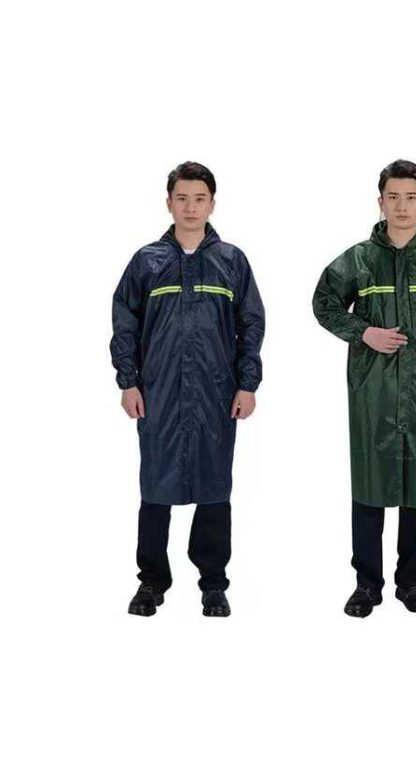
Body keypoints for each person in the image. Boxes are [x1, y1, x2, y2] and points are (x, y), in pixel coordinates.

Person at [313, 159, 416, 617]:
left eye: (411, 197)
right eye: (393, 197)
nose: (402, 206)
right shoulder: (359, 260)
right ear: (380, 202)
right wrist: (363, 332)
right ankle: (367, 585)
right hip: (373, 392)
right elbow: (323, 302)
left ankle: (411, 583)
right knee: (369, 486)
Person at [111, 161, 265, 617]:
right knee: (155, 489)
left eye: (200, 199)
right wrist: (128, 381)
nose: (191, 207)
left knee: (214, 489)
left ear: (212, 204)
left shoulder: (232, 262)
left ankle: (213, 584)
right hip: (159, 394)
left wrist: (247, 384)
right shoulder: (147, 262)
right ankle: (151, 581)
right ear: (169, 203)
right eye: (182, 198)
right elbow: (124, 324)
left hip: (216, 395)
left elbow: (251, 325)